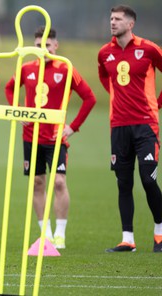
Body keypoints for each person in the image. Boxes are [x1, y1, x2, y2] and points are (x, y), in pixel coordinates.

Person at [5, 27, 96, 249]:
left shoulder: (66, 69)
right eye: (38, 45)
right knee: (37, 183)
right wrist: (18, 111)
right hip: (31, 137)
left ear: (55, 46)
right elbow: (9, 88)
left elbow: (89, 98)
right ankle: (45, 233)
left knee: (59, 182)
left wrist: (73, 127)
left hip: (56, 138)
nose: (42, 49)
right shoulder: (26, 69)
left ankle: (60, 234)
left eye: (47, 45)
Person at [98, 5, 162, 253]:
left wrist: (157, 102)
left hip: (146, 125)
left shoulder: (148, 48)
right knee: (123, 182)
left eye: (117, 19)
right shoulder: (104, 53)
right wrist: (116, 98)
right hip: (118, 126)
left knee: (148, 179)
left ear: (131, 24)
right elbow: (105, 77)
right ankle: (128, 239)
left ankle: (159, 232)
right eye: (111, 18)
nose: (112, 22)